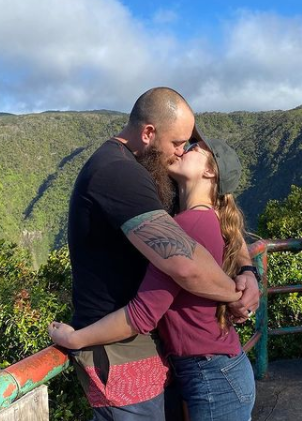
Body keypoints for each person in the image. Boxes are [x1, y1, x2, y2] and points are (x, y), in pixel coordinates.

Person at [64, 87, 259, 420]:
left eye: (189, 146)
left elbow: (223, 230)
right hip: (120, 351)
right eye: (178, 143)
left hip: (162, 354)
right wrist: (233, 293)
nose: (181, 151)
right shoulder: (119, 172)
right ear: (149, 133)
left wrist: (248, 273)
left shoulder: (161, 179)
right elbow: (185, 265)